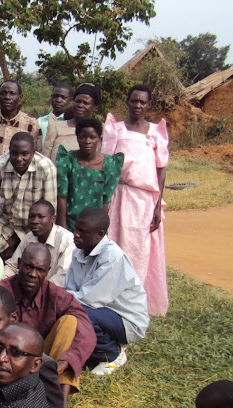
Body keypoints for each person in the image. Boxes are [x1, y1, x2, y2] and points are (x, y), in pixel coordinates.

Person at [0, 243, 97, 408]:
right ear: (19, 263)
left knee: (70, 322)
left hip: (45, 364)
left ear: (48, 271)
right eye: (28, 267)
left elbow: (86, 328)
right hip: (10, 361)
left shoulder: (54, 294)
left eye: (40, 270)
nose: (32, 274)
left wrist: (68, 359)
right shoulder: (2, 291)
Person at [102, 84, 170, 317]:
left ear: (148, 105)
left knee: (139, 249)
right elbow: (108, 165)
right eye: (134, 101)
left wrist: (158, 206)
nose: (138, 105)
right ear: (128, 102)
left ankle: (134, 300)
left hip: (143, 200)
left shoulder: (155, 132)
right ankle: (111, 297)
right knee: (115, 244)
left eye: (142, 102)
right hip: (118, 196)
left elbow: (161, 169)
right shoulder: (116, 129)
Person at [64, 208, 149, 375]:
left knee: (78, 313)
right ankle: (94, 349)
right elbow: (71, 289)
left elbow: (90, 299)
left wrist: (56, 295)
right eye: (76, 228)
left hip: (126, 320)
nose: (76, 234)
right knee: (68, 311)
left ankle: (112, 353)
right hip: (101, 312)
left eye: (82, 231)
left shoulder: (112, 257)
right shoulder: (78, 252)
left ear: (99, 234)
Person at [0, 132, 58, 259]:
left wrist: (37, 243)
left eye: (24, 154)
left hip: (34, 229)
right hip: (6, 227)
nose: (19, 158)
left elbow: (50, 210)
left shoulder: (46, 168)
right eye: (14, 153)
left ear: (33, 152)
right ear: (9, 151)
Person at [56, 118, 124, 231]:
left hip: (95, 224)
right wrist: (63, 230)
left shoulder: (110, 164)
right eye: (83, 137)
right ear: (77, 138)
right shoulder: (67, 159)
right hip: (70, 223)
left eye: (92, 137)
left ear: (99, 139)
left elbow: (106, 200)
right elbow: (62, 197)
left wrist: (100, 228)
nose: (87, 141)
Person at [3, 199, 75, 285]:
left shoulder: (66, 241)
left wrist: (36, 292)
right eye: (31, 216)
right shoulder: (28, 238)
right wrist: (0, 282)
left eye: (40, 217)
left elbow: (62, 278)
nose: (34, 221)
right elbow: (13, 267)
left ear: (53, 219)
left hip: (52, 292)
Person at [0, 80, 42, 164]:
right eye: (3, 93)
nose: (7, 97)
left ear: (20, 97)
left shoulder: (31, 123)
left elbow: (37, 154)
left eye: (12, 93)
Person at [43, 82, 100, 162]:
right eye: (78, 101)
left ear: (94, 107)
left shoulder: (100, 130)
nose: (80, 105)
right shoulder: (56, 126)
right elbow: (45, 159)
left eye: (85, 103)